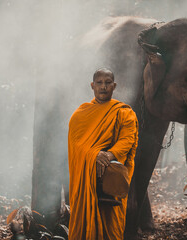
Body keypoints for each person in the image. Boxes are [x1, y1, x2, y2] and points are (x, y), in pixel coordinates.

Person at [68, 68, 139, 240]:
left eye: (108, 83)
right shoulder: (80, 115)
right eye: (99, 83)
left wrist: (108, 156)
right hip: (86, 180)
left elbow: (127, 140)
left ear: (114, 86)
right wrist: (94, 155)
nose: (103, 87)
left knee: (111, 224)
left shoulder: (124, 112)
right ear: (92, 86)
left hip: (111, 181)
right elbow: (76, 145)